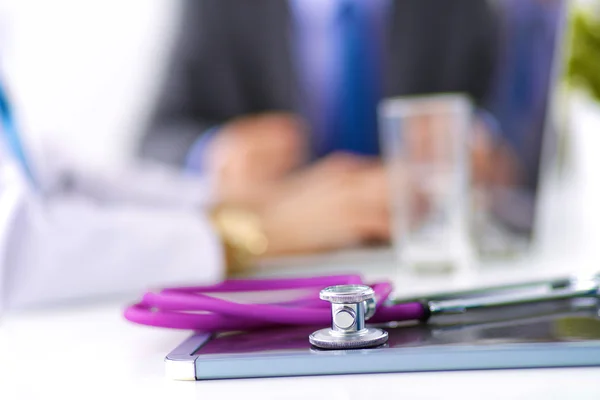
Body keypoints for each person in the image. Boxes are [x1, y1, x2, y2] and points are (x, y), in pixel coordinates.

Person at [138, 0, 508, 247]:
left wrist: (481, 141)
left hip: (419, 243)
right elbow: (153, 141)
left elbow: (513, 109)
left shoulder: (462, 8)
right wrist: (215, 154)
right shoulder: (217, 9)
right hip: (286, 253)